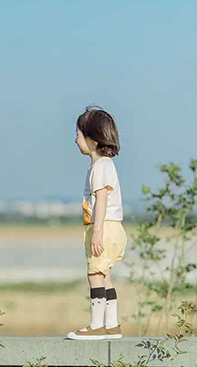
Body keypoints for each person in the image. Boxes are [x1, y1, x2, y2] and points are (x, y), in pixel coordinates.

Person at [66, 106, 127, 341]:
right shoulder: (103, 166)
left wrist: (97, 232)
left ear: (91, 139)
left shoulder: (100, 167)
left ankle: (96, 325)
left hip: (105, 226)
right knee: (105, 273)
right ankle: (111, 325)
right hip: (112, 227)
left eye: (78, 135)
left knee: (94, 275)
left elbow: (101, 199)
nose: (75, 140)